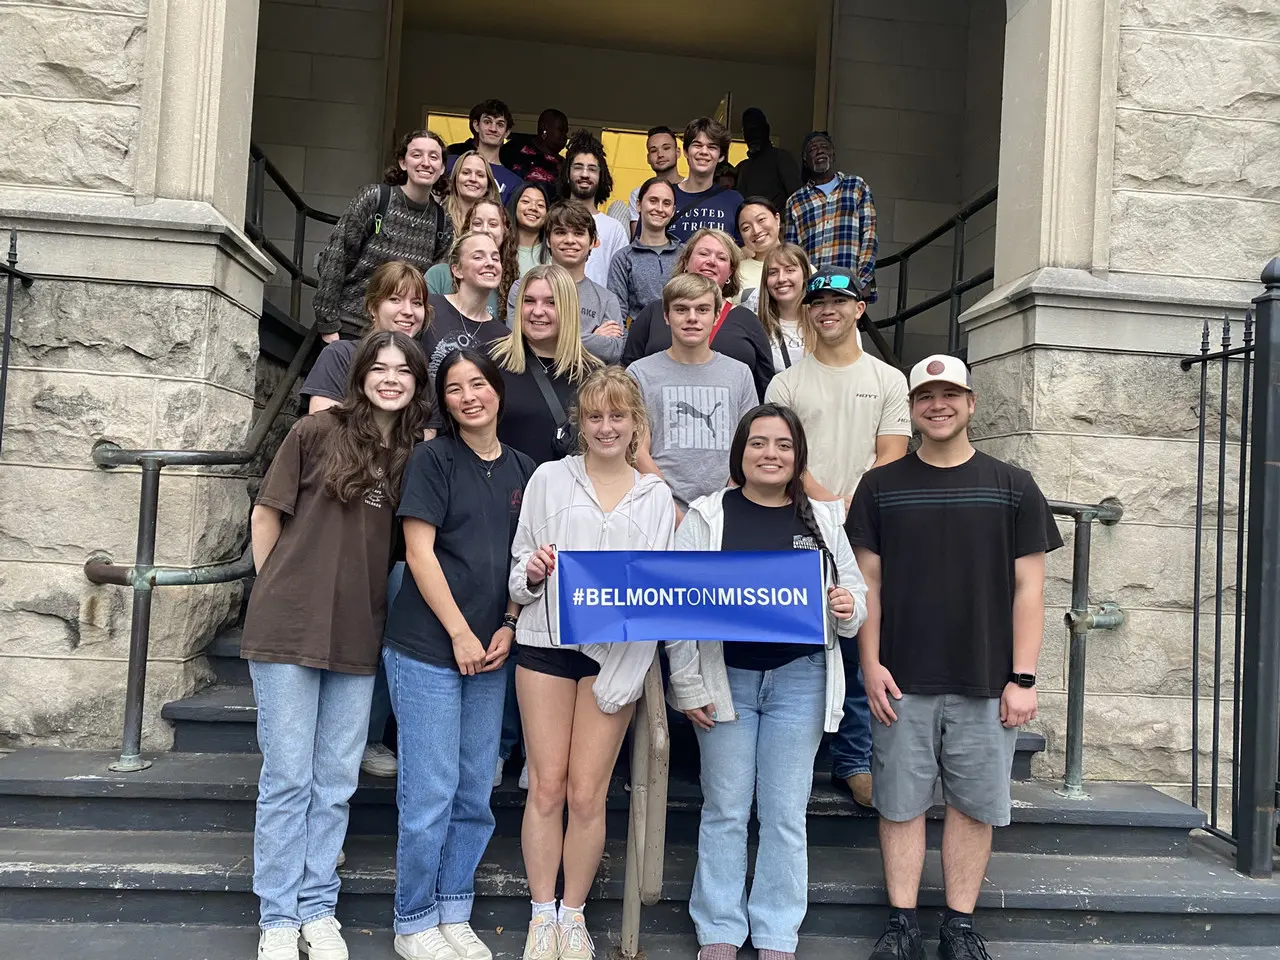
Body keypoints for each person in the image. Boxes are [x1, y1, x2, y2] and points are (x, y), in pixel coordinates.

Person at [851, 354, 1062, 960]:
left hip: (986, 679)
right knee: (900, 805)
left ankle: (959, 927)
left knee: (973, 808)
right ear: (911, 409)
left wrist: (1024, 677)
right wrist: (870, 664)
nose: (937, 405)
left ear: (971, 403)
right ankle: (902, 925)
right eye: (925, 397)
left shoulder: (1013, 485)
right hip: (900, 679)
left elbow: (1030, 589)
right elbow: (868, 585)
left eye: (949, 395)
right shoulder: (880, 486)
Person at [243, 331, 432, 960]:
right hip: (287, 626)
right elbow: (266, 514)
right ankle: (278, 916)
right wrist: (272, 588)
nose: (390, 378)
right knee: (287, 778)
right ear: (360, 375)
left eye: (403, 370)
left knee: (334, 781)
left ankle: (318, 908)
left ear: (417, 383)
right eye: (379, 367)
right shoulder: (315, 431)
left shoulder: (411, 456)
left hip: (357, 629)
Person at [667, 404, 867, 960]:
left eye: (783, 445)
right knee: (725, 808)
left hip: (800, 680)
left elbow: (856, 597)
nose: (770, 454)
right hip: (725, 678)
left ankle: (777, 931)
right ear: (741, 452)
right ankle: (719, 929)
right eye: (758, 443)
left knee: (784, 813)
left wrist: (847, 607)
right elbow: (678, 605)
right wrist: (688, 684)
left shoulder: (823, 519)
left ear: (798, 456)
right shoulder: (708, 515)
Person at [509, 366, 677, 960]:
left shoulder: (656, 497)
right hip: (546, 646)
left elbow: (660, 593)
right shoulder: (549, 478)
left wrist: (630, 673)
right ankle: (541, 915)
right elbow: (518, 567)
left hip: (615, 658)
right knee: (546, 788)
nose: (606, 427)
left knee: (587, 794)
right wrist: (532, 573)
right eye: (595, 416)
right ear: (580, 423)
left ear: (636, 425)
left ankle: (573, 913)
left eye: (618, 416)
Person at [382, 348, 536, 960]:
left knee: (474, 788)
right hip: (428, 647)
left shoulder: (525, 469)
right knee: (430, 790)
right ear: (442, 402)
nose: (469, 396)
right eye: (454, 388)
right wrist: (459, 633)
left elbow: (526, 561)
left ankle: (453, 908)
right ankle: (413, 919)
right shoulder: (433, 459)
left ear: (498, 391)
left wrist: (509, 624)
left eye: (478, 384)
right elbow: (418, 553)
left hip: (492, 649)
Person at [764, 265, 910, 808]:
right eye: (818, 302)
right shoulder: (786, 383)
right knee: (801, 637)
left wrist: (853, 502)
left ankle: (854, 760)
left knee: (859, 638)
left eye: (840, 301)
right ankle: (792, 759)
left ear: (858, 309)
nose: (828, 310)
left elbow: (892, 451)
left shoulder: (888, 380)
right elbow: (781, 453)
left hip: (868, 525)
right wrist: (826, 502)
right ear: (807, 311)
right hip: (799, 520)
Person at [628, 273, 758, 514]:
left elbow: (749, 445)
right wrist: (672, 512)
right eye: (681, 309)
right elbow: (637, 450)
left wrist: (725, 505)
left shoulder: (739, 374)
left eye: (702, 309)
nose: (692, 318)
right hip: (659, 508)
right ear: (666, 316)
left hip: (725, 509)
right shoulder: (640, 373)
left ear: (716, 316)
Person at [314, 130, 452, 342]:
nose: (425, 163)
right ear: (403, 162)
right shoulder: (375, 199)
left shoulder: (443, 222)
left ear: (441, 168)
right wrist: (328, 325)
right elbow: (335, 258)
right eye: (416, 155)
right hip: (351, 326)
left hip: (402, 335)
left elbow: (431, 289)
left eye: (433, 157)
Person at [621, 228, 774, 401]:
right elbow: (628, 373)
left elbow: (764, 383)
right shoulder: (654, 311)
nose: (711, 261)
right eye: (703, 253)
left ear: (730, 272)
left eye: (721, 258)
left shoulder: (747, 320)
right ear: (686, 262)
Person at [303, 261, 429, 417]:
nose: (408, 311)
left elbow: (427, 429)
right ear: (372, 307)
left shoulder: (422, 367)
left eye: (417, 303)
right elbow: (321, 426)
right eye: (395, 299)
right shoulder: (341, 355)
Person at [506, 202, 625, 365]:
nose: (570, 240)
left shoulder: (606, 299)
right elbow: (516, 339)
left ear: (592, 242)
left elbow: (613, 351)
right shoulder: (522, 288)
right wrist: (593, 338)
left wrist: (544, 335)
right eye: (561, 232)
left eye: (578, 233)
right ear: (548, 240)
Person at [784, 131, 878, 303]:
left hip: (850, 284)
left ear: (833, 154)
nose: (819, 151)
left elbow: (869, 235)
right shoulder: (795, 201)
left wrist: (863, 279)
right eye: (813, 149)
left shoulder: (857, 186)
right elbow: (792, 252)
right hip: (813, 289)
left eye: (824, 146)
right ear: (805, 160)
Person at [421, 232, 510, 379]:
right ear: (457, 270)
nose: (490, 263)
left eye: (495, 258)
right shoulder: (428, 307)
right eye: (478, 257)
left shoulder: (503, 338)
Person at [426, 199, 519, 323]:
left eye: (493, 224)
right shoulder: (439, 275)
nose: (485, 229)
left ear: (505, 231)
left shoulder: (510, 284)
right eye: (477, 223)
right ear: (467, 228)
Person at [557, 130, 629, 287]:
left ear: (600, 176)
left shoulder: (614, 229)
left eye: (592, 169)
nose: (585, 174)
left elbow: (620, 283)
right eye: (578, 167)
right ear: (567, 174)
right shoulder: (552, 220)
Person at [607, 177, 680, 319]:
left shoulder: (685, 254)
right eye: (653, 201)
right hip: (639, 333)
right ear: (638, 205)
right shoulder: (623, 258)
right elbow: (617, 315)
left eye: (666, 203)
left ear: (673, 211)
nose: (659, 209)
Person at [670, 118, 744, 244]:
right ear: (686, 151)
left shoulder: (734, 201)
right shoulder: (665, 197)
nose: (704, 152)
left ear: (721, 156)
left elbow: (746, 249)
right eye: (697, 145)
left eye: (712, 147)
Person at [755, 243, 824, 372]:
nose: (781, 279)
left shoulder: (826, 321)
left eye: (790, 270)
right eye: (773, 273)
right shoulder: (756, 329)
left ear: (805, 275)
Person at [445, 98, 522, 200]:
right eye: (487, 122)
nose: (493, 129)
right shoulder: (451, 163)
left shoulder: (514, 182)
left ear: (507, 132)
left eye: (500, 125)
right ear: (476, 125)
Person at [733, 108, 802, 212]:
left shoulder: (781, 158)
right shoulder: (742, 167)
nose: (752, 135)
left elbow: (797, 199)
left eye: (756, 129)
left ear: (766, 130)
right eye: (748, 131)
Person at [735, 197, 783, 312]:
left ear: (777, 219)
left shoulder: (801, 265)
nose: (756, 231)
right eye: (746, 228)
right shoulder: (735, 273)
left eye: (761, 220)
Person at [627, 126, 682, 223]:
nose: (660, 154)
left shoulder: (693, 189)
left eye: (666, 148)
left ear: (677, 152)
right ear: (648, 158)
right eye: (653, 150)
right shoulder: (638, 193)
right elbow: (638, 231)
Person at [502, 108, 569, 185]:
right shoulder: (515, 148)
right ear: (544, 127)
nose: (564, 136)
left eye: (566, 132)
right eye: (561, 130)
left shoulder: (564, 164)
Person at [444, 151, 503, 237]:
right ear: (455, 178)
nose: (473, 179)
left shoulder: (499, 224)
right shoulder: (439, 216)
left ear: (488, 185)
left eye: (480, 175)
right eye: (466, 173)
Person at [509, 181, 551, 276]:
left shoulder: (554, 252)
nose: (533, 208)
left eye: (540, 205)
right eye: (526, 201)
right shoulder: (500, 249)